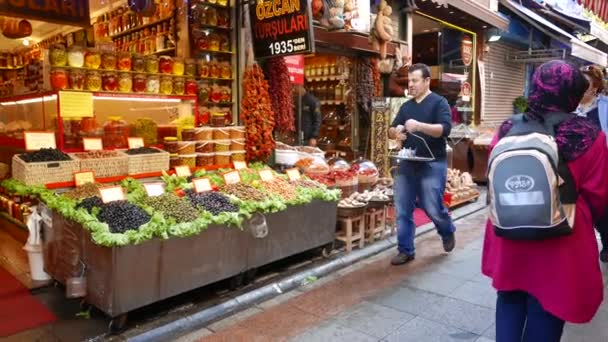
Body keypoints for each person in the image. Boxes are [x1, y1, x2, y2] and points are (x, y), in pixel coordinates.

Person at [483, 60, 608, 341]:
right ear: (573, 93)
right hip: (562, 239)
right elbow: (598, 197)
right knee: (548, 306)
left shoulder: (507, 128)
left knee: (510, 298)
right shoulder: (590, 136)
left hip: (509, 233)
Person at [388, 63, 456, 265]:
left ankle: (446, 230)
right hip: (407, 162)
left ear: (427, 81)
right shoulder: (406, 106)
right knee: (402, 207)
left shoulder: (439, 103)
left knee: (431, 205)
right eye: (409, 80)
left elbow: (445, 130)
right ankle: (405, 249)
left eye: (415, 80)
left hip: (432, 162)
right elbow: (392, 129)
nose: (411, 84)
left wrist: (419, 126)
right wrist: (396, 132)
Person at [577, 65, 608, 262]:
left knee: (604, 207)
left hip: (604, 164)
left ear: (595, 87)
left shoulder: (604, 106)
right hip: (581, 167)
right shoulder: (571, 107)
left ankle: (607, 243)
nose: (581, 88)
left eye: (585, 84)